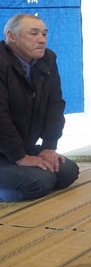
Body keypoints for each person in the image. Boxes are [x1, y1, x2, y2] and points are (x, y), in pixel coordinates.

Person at [0, 14, 79, 201]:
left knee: (66, 171)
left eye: (44, 34)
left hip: (20, 147)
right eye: (34, 33)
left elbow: (55, 105)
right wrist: (20, 157)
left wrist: (49, 147)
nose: (42, 39)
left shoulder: (47, 60)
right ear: (12, 36)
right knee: (38, 182)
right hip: (8, 148)